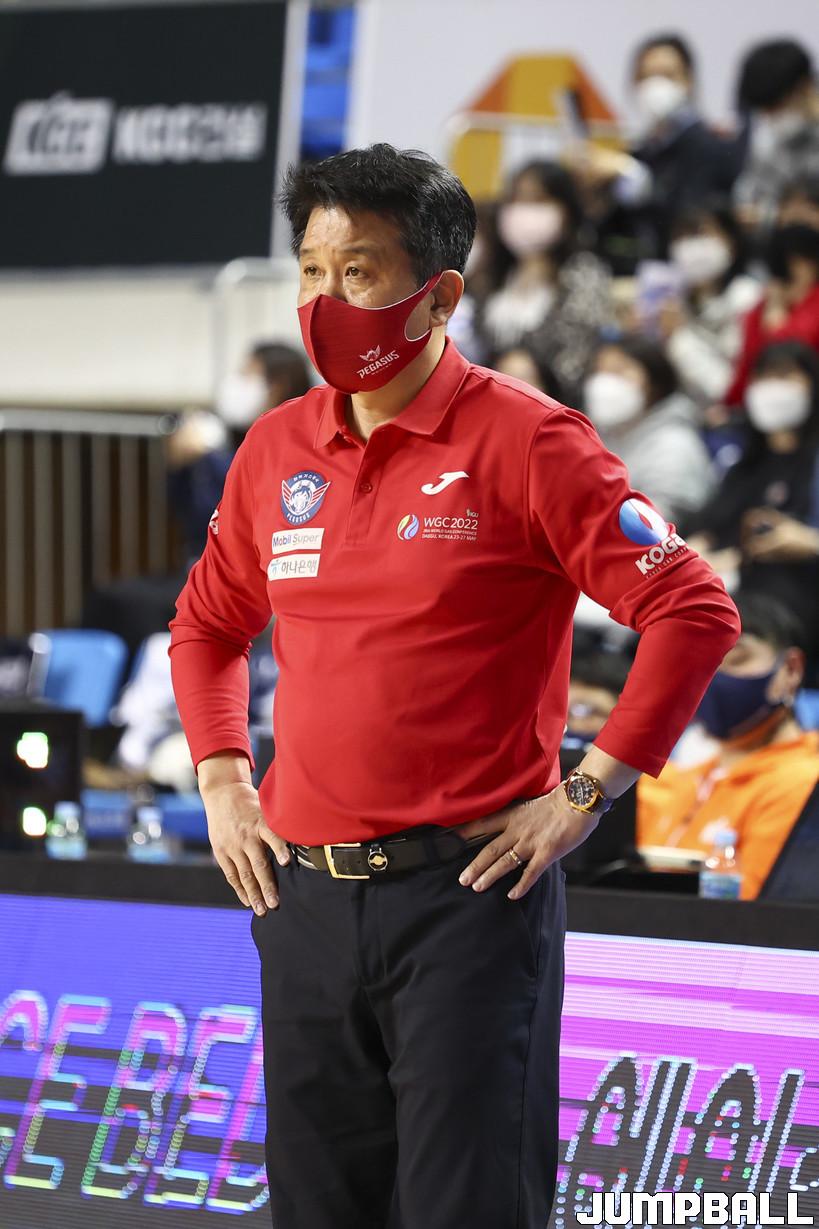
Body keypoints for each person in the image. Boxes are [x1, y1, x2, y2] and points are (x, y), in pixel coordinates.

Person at [167, 143, 740, 1229]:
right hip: (300, 898)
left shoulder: (531, 440)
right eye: (311, 271)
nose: (325, 301)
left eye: (359, 272)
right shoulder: (275, 449)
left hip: (467, 902)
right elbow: (205, 626)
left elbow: (694, 609)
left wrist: (587, 792)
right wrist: (222, 777)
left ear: (439, 296)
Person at [638, 591, 819, 899]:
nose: (713, 676)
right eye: (698, 662)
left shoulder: (805, 781)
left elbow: (756, 913)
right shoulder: (680, 778)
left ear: (791, 669)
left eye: (736, 659)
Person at [688, 340, 819, 667]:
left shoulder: (812, 462)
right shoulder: (744, 461)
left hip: (793, 592)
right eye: (764, 377)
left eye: (785, 376)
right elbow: (712, 523)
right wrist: (697, 546)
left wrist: (809, 541)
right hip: (730, 584)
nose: (772, 388)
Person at [570, 32, 742, 270]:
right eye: (645, 76)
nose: (654, 86)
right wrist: (596, 196)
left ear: (689, 81)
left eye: (667, 75)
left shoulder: (710, 147)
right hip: (635, 273)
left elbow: (693, 216)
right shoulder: (638, 152)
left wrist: (634, 177)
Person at [467, 159, 613, 403]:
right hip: (485, 404)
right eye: (516, 199)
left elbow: (575, 360)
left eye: (538, 200)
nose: (524, 212)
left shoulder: (584, 273)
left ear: (566, 210)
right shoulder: (491, 272)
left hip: (551, 406)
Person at [168, 341, 311, 565]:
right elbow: (192, 512)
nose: (237, 384)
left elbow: (250, 488)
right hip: (207, 561)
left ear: (277, 386)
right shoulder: (238, 436)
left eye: (247, 374)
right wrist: (180, 464)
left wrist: (207, 455)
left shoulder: (299, 439)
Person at [583, 333, 716, 528]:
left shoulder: (674, 443)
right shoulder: (598, 435)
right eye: (599, 372)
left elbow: (661, 521)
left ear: (654, 381)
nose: (605, 383)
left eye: (619, 370)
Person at [662, 201, 762, 405]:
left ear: (731, 243)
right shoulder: (675, 301)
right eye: (683, 237)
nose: (693, 247)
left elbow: (726, 386)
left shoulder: (748, 297)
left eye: (702, 234)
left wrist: (678, 338)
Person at [723, 220, 819, 407]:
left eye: (801, 263)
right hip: (763, 404)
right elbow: (747, 367)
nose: (796, 270)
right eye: (788, 265)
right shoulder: (758, 311)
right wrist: (730, 405)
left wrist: (776, 316)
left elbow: (795, 356)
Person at [733, 39, 819, 232]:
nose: (770, 118)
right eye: (764, 111)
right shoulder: (770, 144)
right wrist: (779, 215)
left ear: (805, 88)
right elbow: (746, 207)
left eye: (776, 107)